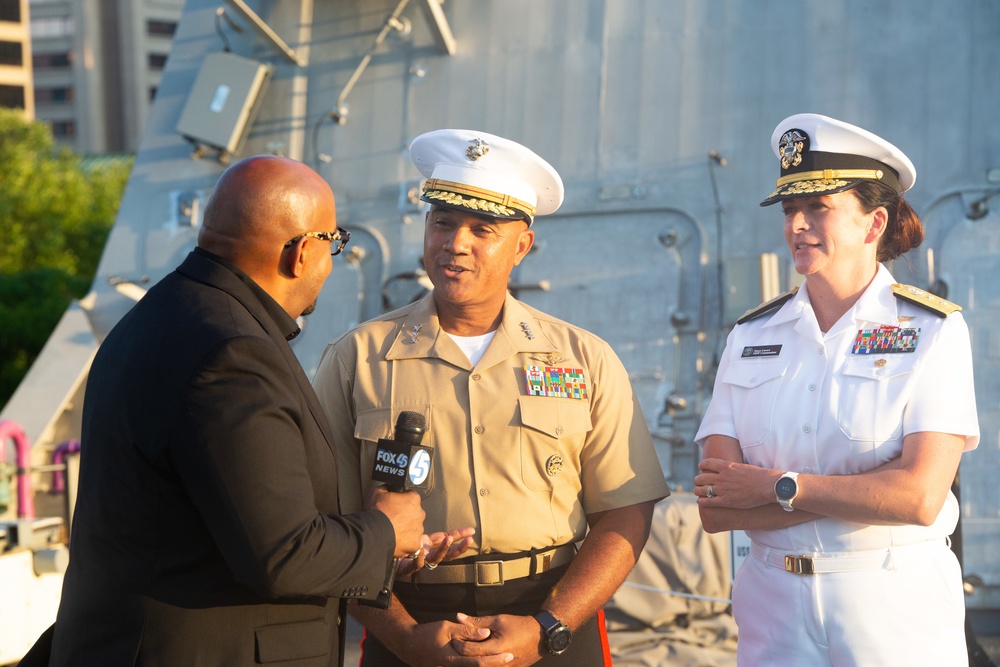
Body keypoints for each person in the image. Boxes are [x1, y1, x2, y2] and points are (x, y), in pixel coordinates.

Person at [38, 156, 426, 666]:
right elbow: (284, 554)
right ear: (303, 253)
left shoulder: (159, 315)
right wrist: (386, 531)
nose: (332, 261)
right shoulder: (235, 352)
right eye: (334, 244)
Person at [312, 129, 670, 666]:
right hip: (407, 615)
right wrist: (406, 636)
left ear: (522, 246)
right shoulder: (355, 359)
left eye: (482, 229)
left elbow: (625, 513)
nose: (456, 243)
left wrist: (551, 625)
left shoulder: (583, 359)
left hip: (551, 614)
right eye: (443, 222)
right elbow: (323, 521)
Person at [694, 113, 980, 665]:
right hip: (772, 613)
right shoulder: (750, 336)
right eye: (789, 210)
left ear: (874, 225)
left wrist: (777, 486)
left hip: (893, 609)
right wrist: (863, 492)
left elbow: (918, 498)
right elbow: (716, 506)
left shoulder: (931, 331)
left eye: (817, 208)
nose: (796, 225)